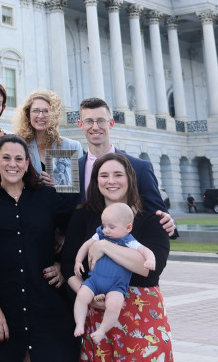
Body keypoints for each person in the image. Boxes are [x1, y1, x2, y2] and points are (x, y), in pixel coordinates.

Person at [0, 134, 81, 362]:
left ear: (27, 163)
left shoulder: (47, 197)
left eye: (19, 159)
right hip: (2, 304)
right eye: (6, 158)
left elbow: (77, 229)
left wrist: (63, 265)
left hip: (47, 302)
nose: (13, 164)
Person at [61, 153, 173, 361]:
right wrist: (89, 297)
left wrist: (104, 245)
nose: (111, 181)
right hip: (98, 313)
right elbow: (68, 265)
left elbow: (151, 267)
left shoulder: (152, 220)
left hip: (141, 314)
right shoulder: (82, 216)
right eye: (104, 175)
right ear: (96, 181)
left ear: (130, 179)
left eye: (118, 175)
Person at [75, 98, 174, 230]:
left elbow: (158, 213)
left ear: (111, 123)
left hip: (126, 246)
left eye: (101, 121)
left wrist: (170, 224)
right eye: (88, 121)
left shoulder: (140, 168)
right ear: (80, 125)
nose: (95, 127)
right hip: (81, 247)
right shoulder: (72, 168)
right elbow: (65, 211)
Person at [70, 202, 156, 344]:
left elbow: (146, 250)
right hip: (94, 280)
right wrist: (78, 261)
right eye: (104, 225)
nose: (106, 230)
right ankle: (79, 323)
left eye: (111, 227)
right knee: (81, 295)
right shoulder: (100, 235)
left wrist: (150, 260)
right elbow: (85, 245)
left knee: (115, 305)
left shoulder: (129, 241)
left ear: (128, 228)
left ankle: (102, 330)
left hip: (116, 286)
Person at [14, 90, 81, 188]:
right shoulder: (19, 146)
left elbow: (79, 185)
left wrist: (59, 183)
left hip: (62, 202)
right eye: (36, 110)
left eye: (46, 111)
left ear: (54, 115)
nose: (41, 116)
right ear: (28, 114)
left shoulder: (73, 147)